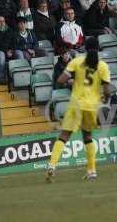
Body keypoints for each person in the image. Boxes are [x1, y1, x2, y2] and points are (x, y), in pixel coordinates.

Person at [46, 37, 111, 182]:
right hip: (91, 106)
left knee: (63, 136)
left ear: (85, 48)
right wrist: (105, 98)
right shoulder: (103, 66)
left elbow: (60, 80)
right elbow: (107, 89)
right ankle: (92, 171)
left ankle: (52, 165)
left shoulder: (76, 61)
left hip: (76, 105)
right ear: (98, 48)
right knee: (87, 137)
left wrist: (73, 81)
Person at [0, 15, 23, 84]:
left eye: (3, 21)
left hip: (8, 53)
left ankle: (20, 76)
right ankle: (1, 79)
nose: (2, 23)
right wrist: (5, 51)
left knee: (18, 52)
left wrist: (11, 50)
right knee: (1, 54)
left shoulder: (10, 31)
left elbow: (15, 43)